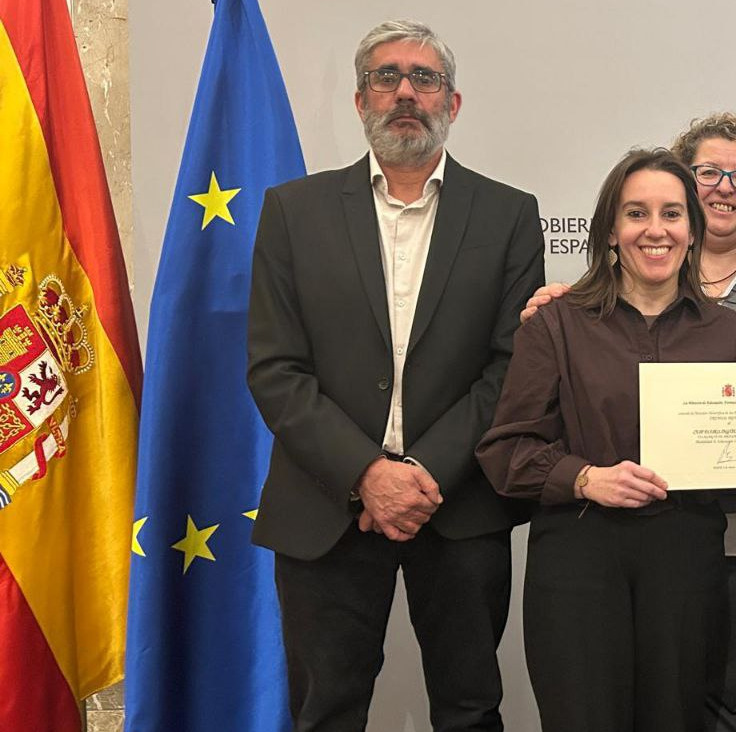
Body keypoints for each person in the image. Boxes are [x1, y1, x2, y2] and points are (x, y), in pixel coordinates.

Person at [246, 19, 544, 731]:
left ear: (454, 101)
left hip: (459, 503)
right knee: (325, 712)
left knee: (471, 709)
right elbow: (274, 366)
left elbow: (511, 366)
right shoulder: (293, 211)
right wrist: (367, 475)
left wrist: (422, 473)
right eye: (387, 77)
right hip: (325, 506)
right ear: (359, 101)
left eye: (424, 78)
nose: (405, 92)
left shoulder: (508, 214)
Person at [476, 147, 736, 732]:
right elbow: (505, 452)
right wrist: (587, 478)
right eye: (636, 213)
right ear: (611, 230)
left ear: (692, 230)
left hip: (686, 566)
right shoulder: (556, 324)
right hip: (578, 561)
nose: (655, 229)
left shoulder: (730, 333)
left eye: (671, 214)